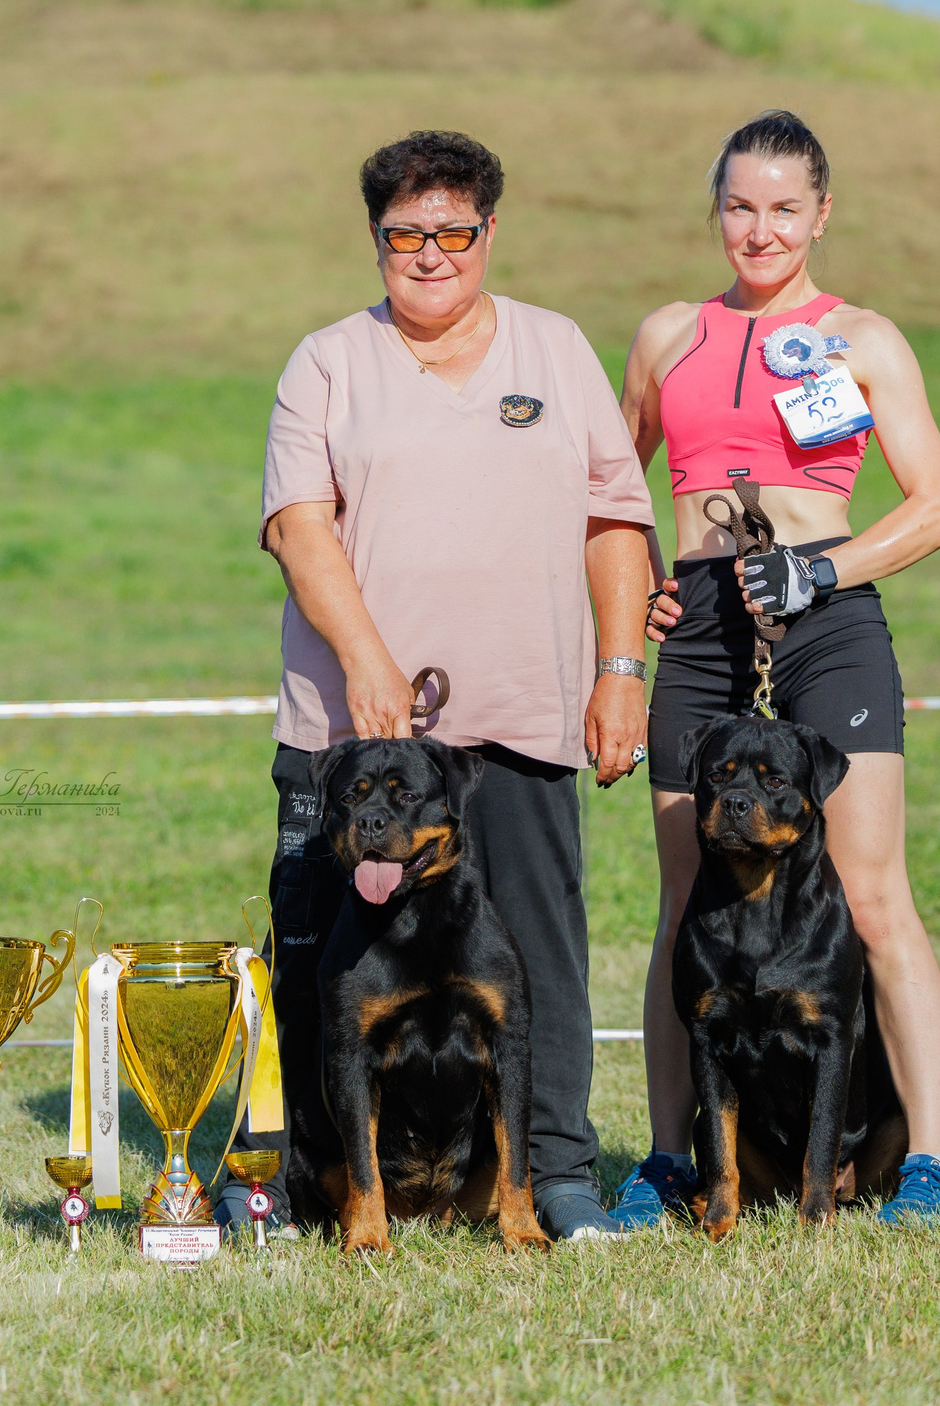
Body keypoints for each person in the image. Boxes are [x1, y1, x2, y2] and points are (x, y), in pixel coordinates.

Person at [261, 129, 656, 1242]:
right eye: (404, 234)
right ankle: (328, 1184)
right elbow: (299, 527)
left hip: (521, 720)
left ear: (488, 230)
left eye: (452, 231)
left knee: (537, 960)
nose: (429, 253)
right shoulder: (327, 360)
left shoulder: (555, 349)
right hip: (351, 741)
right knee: (320, 976)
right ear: (375, 238)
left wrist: (620, 671)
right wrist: (367, 662)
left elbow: (615, 518)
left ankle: (555, 1174)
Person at [610, 110, 940, 1228]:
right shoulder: (667, 333)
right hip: (701, 624)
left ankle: (930, 1164)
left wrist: (822, 572)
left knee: (870, 897)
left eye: (781, 208)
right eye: (737, 206)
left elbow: (938, 508)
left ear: (820, 214)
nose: (757, 230)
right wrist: (636, 606)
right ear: (714, 209)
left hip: (827, 614)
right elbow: (614, 501)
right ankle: (670, 1163)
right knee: (683, 902)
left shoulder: (862, 335)